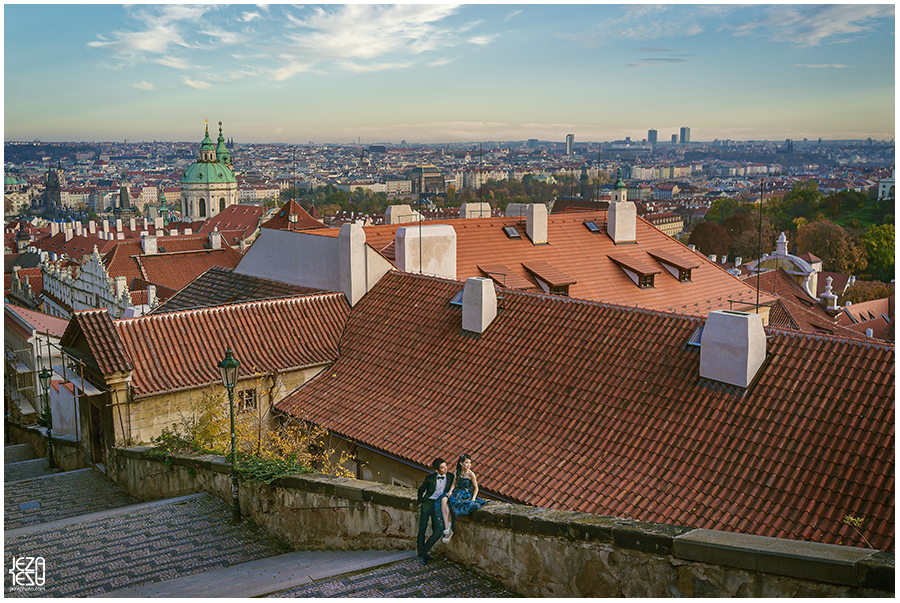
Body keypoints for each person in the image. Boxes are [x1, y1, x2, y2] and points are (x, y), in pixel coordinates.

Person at [440, 453, 488, 543]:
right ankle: (447, 528)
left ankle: (449, 532)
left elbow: (476, 488)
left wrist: (473, 498)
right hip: (457, 491)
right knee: (444, 499)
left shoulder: (471, 474)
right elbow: (454, 484)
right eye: (466, 463)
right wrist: (450, 491)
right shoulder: (457, 472)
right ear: (461, 463)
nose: (469, 465)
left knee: (453, 505)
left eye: (470, 463)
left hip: (465, 494)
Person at [416, 457, 454, 564]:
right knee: (422, 528)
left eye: (446, 466)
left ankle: (424, 551)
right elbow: (421, 490)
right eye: (442, 468)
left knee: (438, 531)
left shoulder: (451, 476)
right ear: (437, 470)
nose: (445, 469)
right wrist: (420, 502)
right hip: (428, 503)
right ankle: (421, 553)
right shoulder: (430, 478)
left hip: (439, 504)